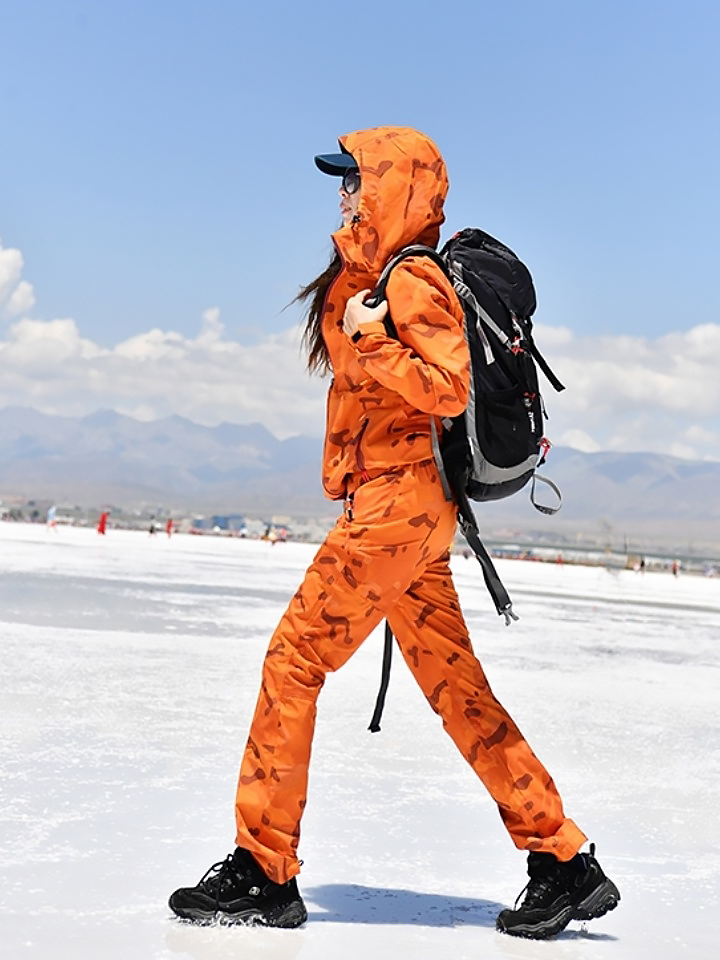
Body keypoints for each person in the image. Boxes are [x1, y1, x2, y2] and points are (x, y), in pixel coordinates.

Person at [168, 126, 620, 939]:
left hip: (395, 510)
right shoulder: (375, 274)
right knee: (459, 692)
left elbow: (448, 387)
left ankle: (264, 869)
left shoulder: (410, 279)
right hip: (406, 514)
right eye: (341, 183)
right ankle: (562, 858)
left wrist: (373, 334)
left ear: (391, 188)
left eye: (355, 182)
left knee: (293, 661)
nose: (343, 196)